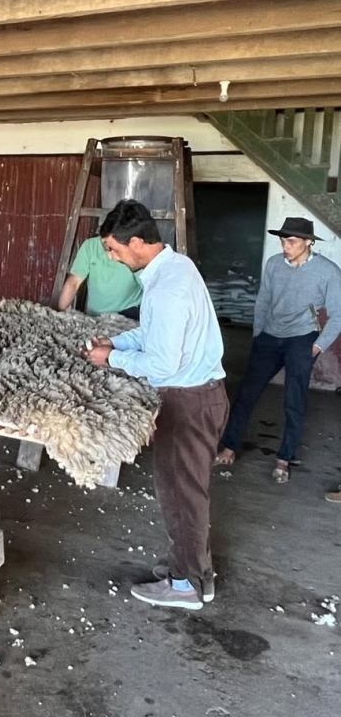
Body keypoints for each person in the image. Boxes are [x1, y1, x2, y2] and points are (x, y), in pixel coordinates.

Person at [84, 199, 227, 611]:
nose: (112, 258)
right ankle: (197, 575)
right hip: (199, 395)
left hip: (187, 402)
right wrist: (116, 342)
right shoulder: (176, 267)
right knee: (188, 494)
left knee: (181, 497)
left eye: (113, 249)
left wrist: (111, 358)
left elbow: (163, 364)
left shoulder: (167, 289)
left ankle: (185, 587)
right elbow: (154, 333)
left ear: (136, 243)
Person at [216, 217, 341, 484]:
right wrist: (258, 335)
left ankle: (284, 458)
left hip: (302, 339)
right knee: (246, 394)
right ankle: (229, 446)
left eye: (292, 241)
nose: (286, 246)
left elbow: (338, 315)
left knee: (294, 400)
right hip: (269, 337)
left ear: (308, 242)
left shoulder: (328, 271)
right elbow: (263, 301)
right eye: (283, 241)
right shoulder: (274, 264)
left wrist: (316, 347)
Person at [58, 233, 142, 318]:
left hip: (128, 312)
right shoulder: (91, 246)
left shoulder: (133, 249)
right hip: (95, 315)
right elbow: (73, 283)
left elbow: (147, 286)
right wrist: (61, 313)